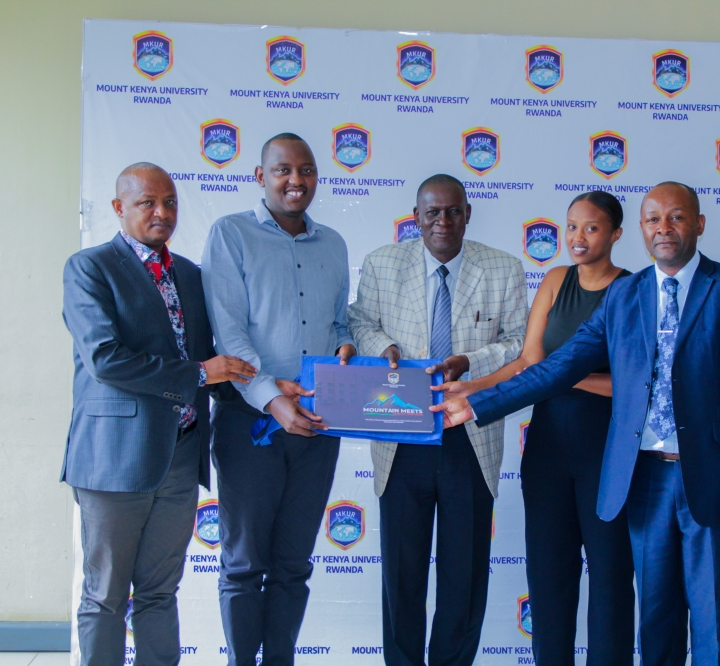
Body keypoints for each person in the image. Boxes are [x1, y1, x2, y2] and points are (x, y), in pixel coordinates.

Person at [433, 182, 720, 666]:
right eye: (653, 219)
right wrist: (477, 404)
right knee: (655, 617)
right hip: (645, 480)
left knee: (709, 621)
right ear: (641, 229)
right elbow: (558, 365)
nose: (664, 228)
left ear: (699, 224)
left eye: (677, 217)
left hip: (714, 480)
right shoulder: (626, 296)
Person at [62, 163, 256, 666]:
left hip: (180, 455)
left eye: (169, 202)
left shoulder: (189, 274)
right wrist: (199, 373)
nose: (161, 212)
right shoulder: (90, 268)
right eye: (147, 202)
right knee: (105, 595)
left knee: (158, 592)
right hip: (114, 460)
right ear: (118, 207)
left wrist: (276, 397)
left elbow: (212, 364)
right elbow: (105, 359)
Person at [434, 191, 635, 665]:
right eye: (572, 227)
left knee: (610, 580)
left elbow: (634, 384)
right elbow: (528, 362)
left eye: (591, 228)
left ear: (616, 234)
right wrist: (471, 388)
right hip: (547, 452)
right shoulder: (555, 279)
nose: (578, 238)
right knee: (548, 580)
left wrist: (564, 376)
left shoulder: (632, 290)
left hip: (608, 455)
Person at [347, 174, 528, 666]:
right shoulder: (383, 263)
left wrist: (469, 362)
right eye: (432, 213)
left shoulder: (504, 268)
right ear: (416, 217)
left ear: (467, 214)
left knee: (463, 577)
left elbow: (519, 343)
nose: (442, 222)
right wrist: (383, 348)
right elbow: (360, 322)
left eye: (452, 211)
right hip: (400, 438)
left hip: (471, 436)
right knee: (401, 574)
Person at [201, 133, 357, 666]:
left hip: (319, 423)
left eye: (306, 170)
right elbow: (230, 334)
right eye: (283, 170)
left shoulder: (333, 243)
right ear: (260, 176)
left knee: (293, 566)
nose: (296, 180)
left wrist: (346, 345)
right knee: (245, 564)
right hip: (251, 423)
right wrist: (272, 399)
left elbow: (340, 321)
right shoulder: (231, 234)